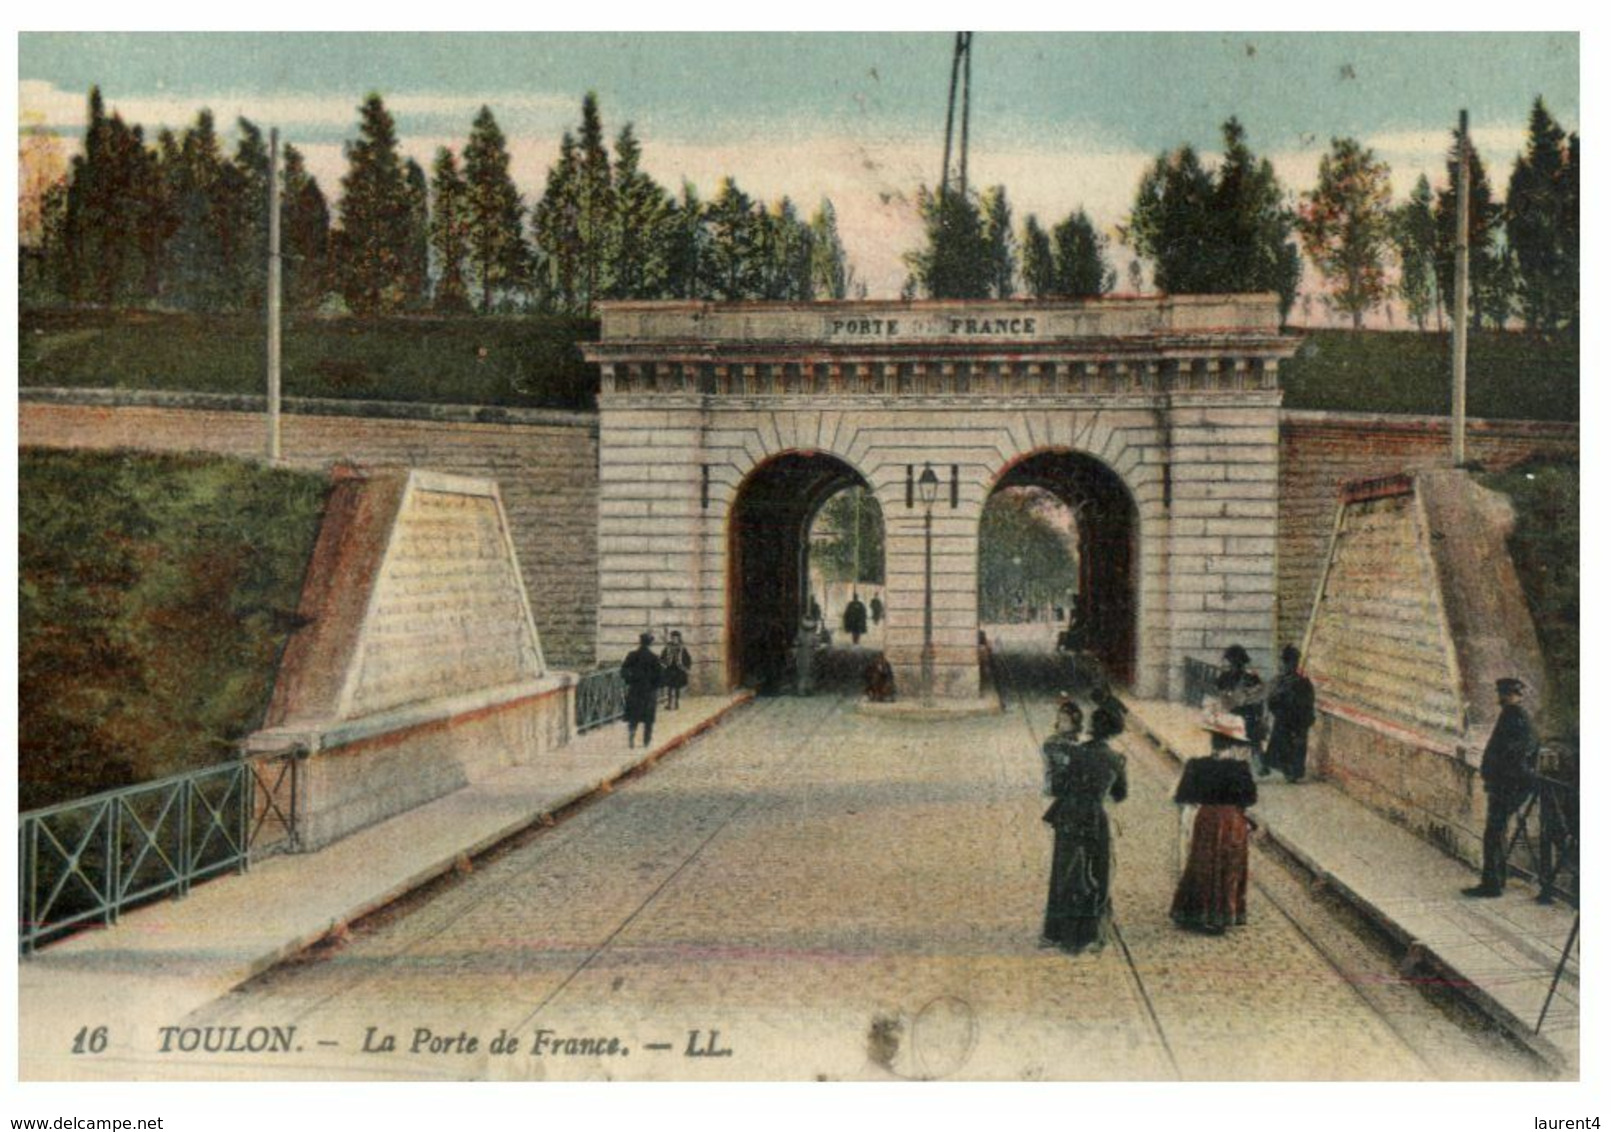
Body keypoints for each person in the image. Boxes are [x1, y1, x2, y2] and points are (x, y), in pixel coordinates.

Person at [1040, 702, 1128, 955]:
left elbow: (1057, 787)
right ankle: (1089, 934)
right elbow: (1120, 795)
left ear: (1090, 727)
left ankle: (1056, 932)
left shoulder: (1075, 753)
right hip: (1094, 818)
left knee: (1064, 872)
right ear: (1113, 732)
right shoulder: (1116, 760)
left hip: (1068, 816)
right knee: (1097, 873)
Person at [1171, 730, 1259, 934]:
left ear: (1213, 744)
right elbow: (1250, 798)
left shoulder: (1197, 764)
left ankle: (1195, 913)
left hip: (1206, 818)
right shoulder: (1240, 768)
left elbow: (1184, 795)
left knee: (1201, 862)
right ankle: (1222, 915)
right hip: (1232, 821)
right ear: (1234, 747)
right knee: (1229, 866)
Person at [1464, 678, 1540, 898]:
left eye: (1507, 693)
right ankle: (1497, 880)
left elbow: (1521, 749)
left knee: (1493, 834)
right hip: (1506, 784)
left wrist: (1501, 772)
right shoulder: (1512, 714)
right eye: (1502, 693)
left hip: (1508, 785)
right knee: (1497, 833)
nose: (1503, 697)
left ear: (1517, 696)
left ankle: (1492, 885)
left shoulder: (1515, 715)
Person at [1264, 645, 1316, 782]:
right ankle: (1288, 771)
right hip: (1283, 719)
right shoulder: (1279, 681)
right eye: (1286, 662)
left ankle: (1293, 773)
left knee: (1296, 747)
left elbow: (1308, 703)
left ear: (1295, 663)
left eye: (1291, 663)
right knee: (1283, 747)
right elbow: (1271, 698)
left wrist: (1306, 720)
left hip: (1298, 720)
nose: (1288, 666)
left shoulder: (1302, 683)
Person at [1215, 644, 1267, 774]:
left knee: (1237, 740)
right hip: (1245, 713)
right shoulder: (1251, 677)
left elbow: (1221, 697)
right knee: (1252, 740)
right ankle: (1256, 764)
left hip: (1236, 713)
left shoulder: (1225, 677)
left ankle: (1237, 765)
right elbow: (1259, 698)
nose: (1234, 665)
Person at [621, 631, 662, 749]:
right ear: (650, 643)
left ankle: (631, 736)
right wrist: (654, 687)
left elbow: (623, 671)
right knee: (648, 718)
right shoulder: (654, 658)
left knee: (633, 716)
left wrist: (630, 680)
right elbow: (659, 676)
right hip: (649, 691)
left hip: (634, 689)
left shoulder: (632, 655)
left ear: (640, 642)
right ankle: (646, 741)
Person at [659, 630, 692, 711]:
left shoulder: (682, 648)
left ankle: (676, 703)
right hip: (669, 669)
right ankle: (670, 704)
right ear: (671, 638)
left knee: (677, 687)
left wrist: (686, 667)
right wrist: (663, 664)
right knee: (670, 687)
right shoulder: (667, 647)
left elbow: (688, 658)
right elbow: (662, 657)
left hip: (678, 670)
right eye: (673, 638)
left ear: (679, 638)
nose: (674, 639)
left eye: (676, 638)